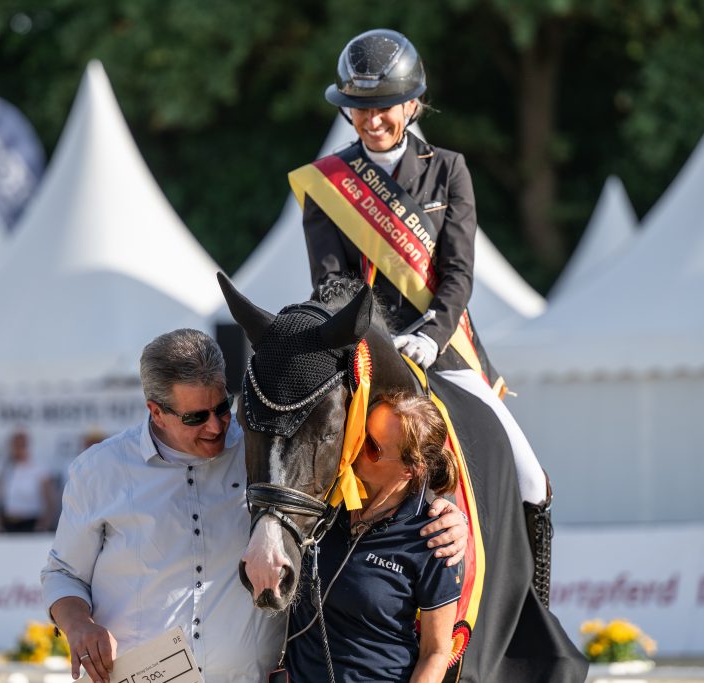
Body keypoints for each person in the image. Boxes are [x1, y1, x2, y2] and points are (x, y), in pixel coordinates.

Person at [41, 328, 469, 683]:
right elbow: (63, 574)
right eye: (195, 417)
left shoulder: (264, 454)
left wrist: (447, 512)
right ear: (156, 412)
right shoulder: (99, 471)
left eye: (222, 408)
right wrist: (79, 625)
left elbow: (375, 476)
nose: (216, 426)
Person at [294, 28, 553, 601]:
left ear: (413, 104)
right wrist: (381, 344)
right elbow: (332, 286)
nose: (371, 120)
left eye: (384, 106)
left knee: (530, 477)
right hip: (367, 351)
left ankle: (531, 609)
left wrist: (431, 337)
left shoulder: (449, 170)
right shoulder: (327, 184)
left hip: (445, 346)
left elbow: (458, 274)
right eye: (359, 108)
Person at [286, 392, 462, 683]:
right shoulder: (325, 497)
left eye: (371, 447)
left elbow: (436, 652)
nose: (356, 447)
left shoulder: (434, 538)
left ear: (410, 469)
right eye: (359, 432)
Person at [0, 430, 56, 532]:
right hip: (9, 522)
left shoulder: (39, 468)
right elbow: (0, 497)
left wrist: (45, 522)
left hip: (31, 522)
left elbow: (49, 498)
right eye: (15, 445)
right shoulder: (5, 468)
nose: (18, 449)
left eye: (21, 445)